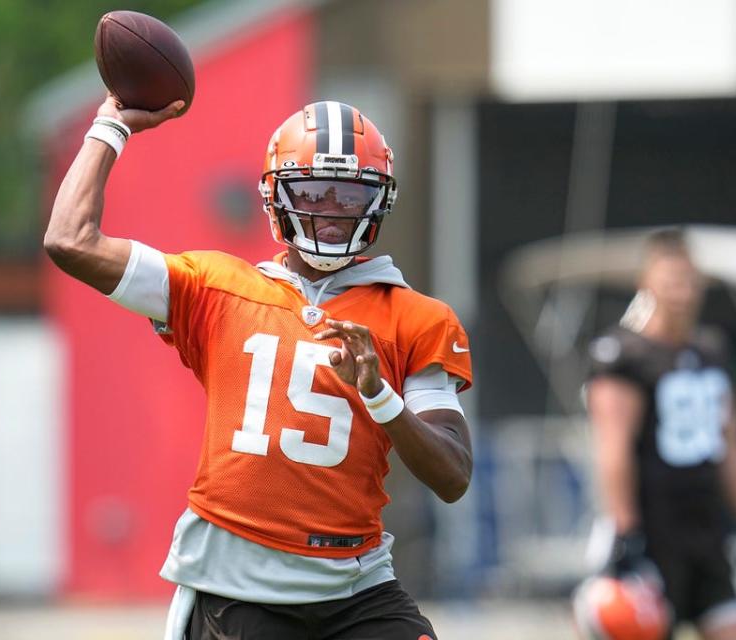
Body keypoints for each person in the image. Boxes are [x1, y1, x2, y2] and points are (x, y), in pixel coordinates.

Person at [44, 97, 473, 640]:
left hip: (354, 587)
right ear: (274, 197)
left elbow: (453, 475)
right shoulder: (213, 287)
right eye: (314, 193)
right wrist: (112, 123)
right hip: (237, 587)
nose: (333, 212)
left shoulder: (416, 317)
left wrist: (379, 395)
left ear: (381, 202)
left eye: (351, 195)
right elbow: (70, 240)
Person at [581, 229, 736, 640]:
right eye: (671, 281)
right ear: (647, 283)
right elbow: (613, 445)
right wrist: (626, 529)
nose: (681, 292)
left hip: (706, 525)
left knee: (735, 626)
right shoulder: (624, 354)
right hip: (652, 528)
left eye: (688, 280)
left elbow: (730, 439)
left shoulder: (710, 350)